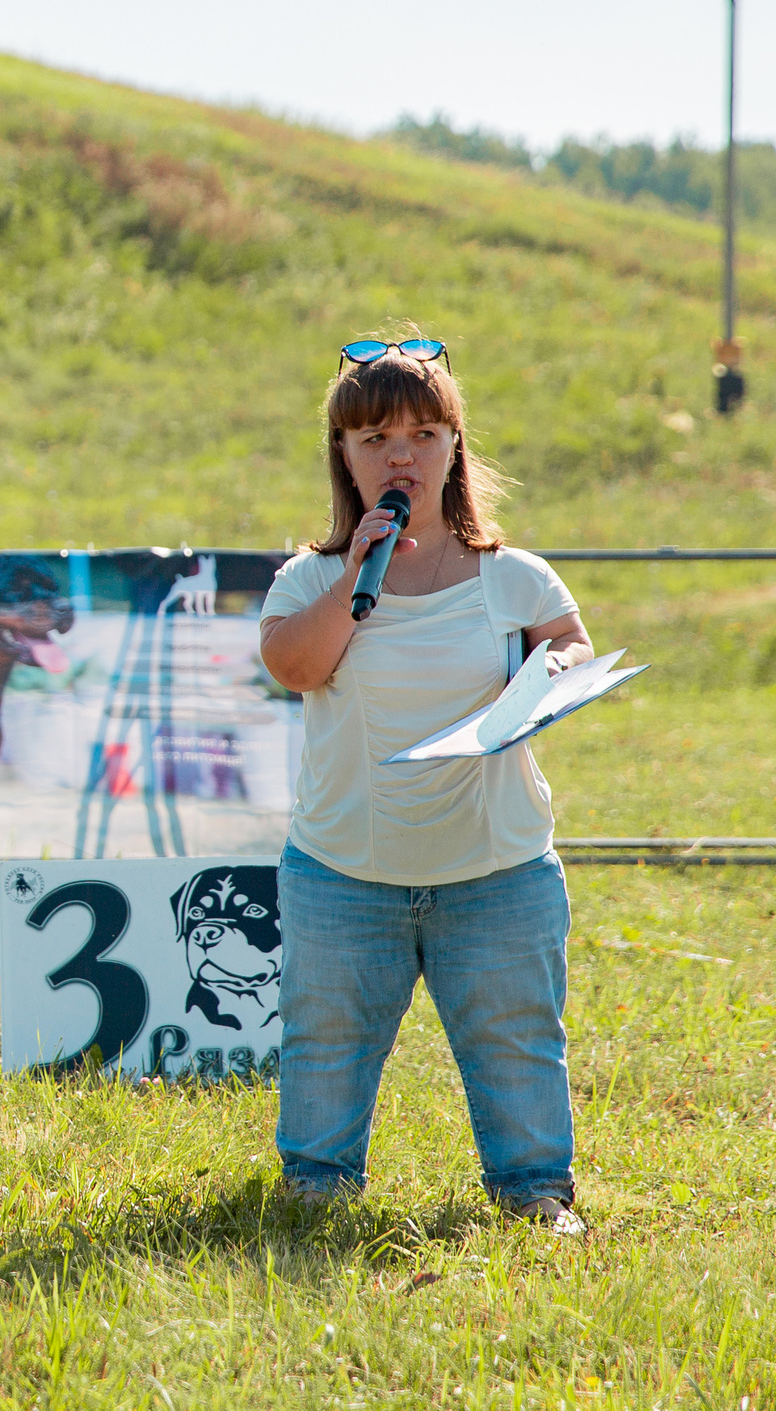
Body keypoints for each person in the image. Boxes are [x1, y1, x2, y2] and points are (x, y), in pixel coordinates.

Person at [257, 337, 591, 1235]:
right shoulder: (315, 577)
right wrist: (355, 582)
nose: (399, 454)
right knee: (325, 1044)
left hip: (496, 869)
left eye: (421, 432)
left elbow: (571, 646)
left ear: (454, 446)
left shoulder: (511, 574)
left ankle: (535, 1194)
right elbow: (294, 665)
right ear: (345, 456)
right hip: (344, 871)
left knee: (518, 1042)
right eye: (373, 437)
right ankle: (317, 1187)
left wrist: (550, 670)